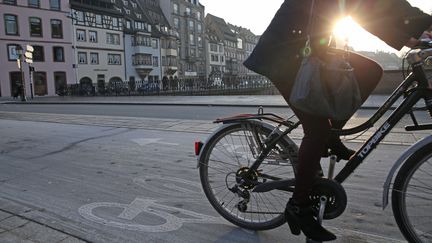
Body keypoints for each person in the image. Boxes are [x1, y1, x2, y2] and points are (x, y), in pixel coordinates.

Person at [244, 0, 432, 241]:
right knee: (316, 130)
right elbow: (363, 8)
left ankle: (331, 136)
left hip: (309, 50)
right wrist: (410, 32)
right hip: (282, 55)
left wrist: (420, 25)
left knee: (370, 71)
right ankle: (298, 206)